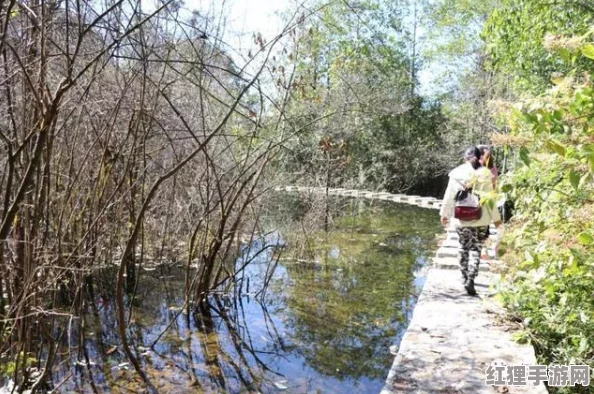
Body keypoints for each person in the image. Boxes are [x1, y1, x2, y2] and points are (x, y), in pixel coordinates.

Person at [440, 146, 503, 296]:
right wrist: (497, 220)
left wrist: (444, 214)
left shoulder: (456, 174)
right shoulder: (487, 174)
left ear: (465, 158)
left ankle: (464, 276)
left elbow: (449, 197)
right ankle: (471, 279)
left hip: (462, 218)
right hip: (481, 218)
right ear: (478, 156)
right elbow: (489, 200)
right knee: (476, 248)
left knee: (463, 247)